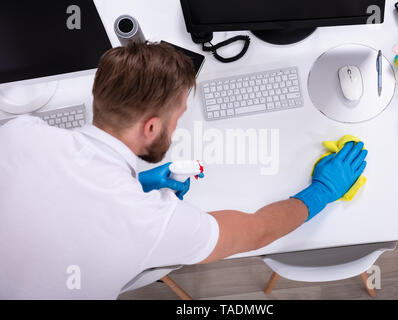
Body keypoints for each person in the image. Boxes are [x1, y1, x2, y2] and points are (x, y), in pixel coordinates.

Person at [0, 42, 367, 299]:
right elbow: (257, 232)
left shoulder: (20, 133)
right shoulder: (156, 223)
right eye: (177, 117)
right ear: (152, 128)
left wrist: (136, 182)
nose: (177, 127)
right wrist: (322, 190)